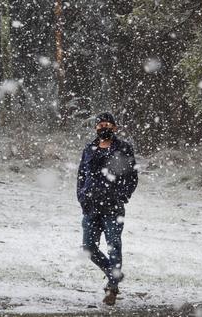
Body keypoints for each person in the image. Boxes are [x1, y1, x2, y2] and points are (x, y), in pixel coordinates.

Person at [77, 112, 138, 306]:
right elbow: (81, 176)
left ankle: (112, 287)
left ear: (115, 128)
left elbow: (132, 177)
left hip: (113, 207)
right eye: (100, 124)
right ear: (96, 128)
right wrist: (82, 197)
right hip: (91, 207)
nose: (104, 127)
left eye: (108, 124)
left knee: (114, 245)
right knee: (88, 248)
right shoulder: (89, 148)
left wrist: (122, 196)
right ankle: (113, 274)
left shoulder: (123, 149)